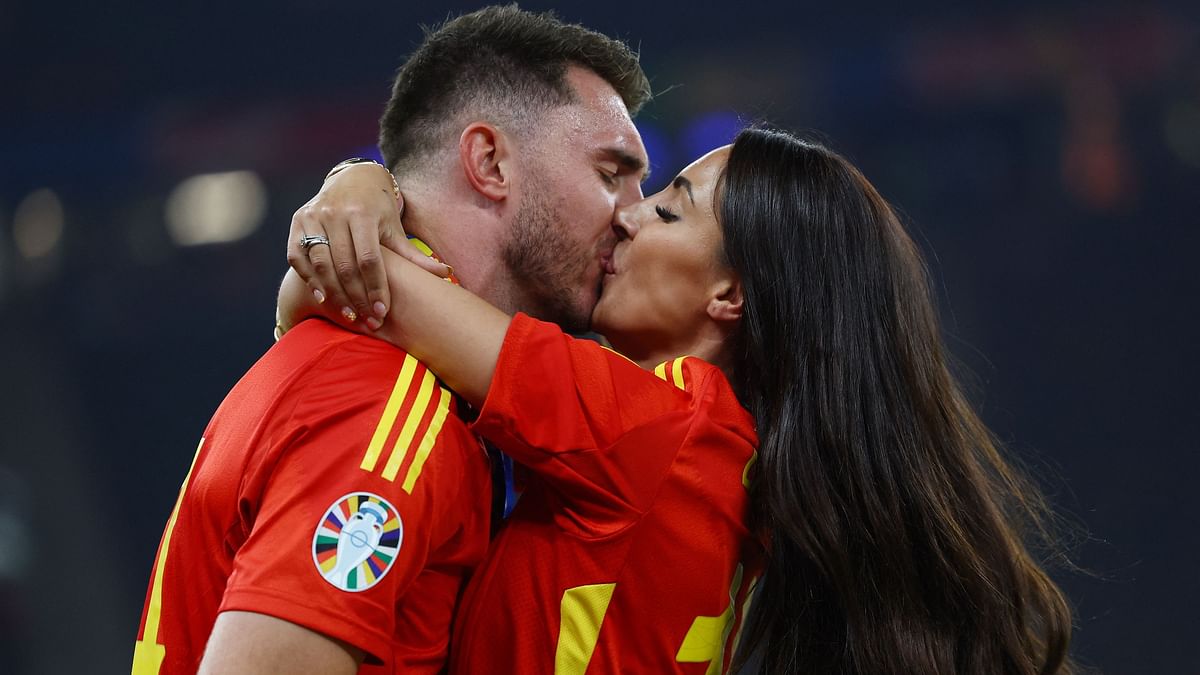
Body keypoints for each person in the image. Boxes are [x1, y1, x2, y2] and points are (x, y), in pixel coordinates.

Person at [281, 128, 1076, 673]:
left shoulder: (665, 422)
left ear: (730, 293)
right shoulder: (731, 462)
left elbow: (357, 289)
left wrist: (360, 184)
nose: (626, 217)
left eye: (667, 209)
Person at [131, 6, 652, 674]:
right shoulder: (387, 402)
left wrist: (355, 176)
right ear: (489, 161)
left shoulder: (421, 386)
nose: (634, 215)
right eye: (611, 173)